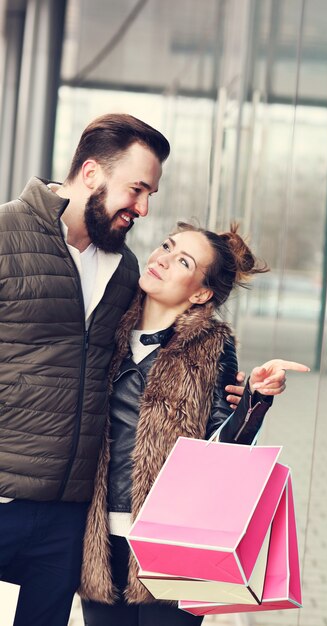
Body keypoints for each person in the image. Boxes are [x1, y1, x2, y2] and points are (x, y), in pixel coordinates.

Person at [79, 221, 310, 626]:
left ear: (201, 292)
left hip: (175, 542)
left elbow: (224, 451)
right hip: (97, 539)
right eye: (166, 246)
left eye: (182, 260)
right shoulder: (105, 326)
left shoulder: (213, 346)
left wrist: (255, 400)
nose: (162, 259)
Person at [0, 113, 181, 626]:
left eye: (150, 195)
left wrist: (237, 394)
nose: (143, 208)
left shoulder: (125, 269)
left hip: (70, 513)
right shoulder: (5, 233)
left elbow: (149, 356)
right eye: (137, 189)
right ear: (92, 172)